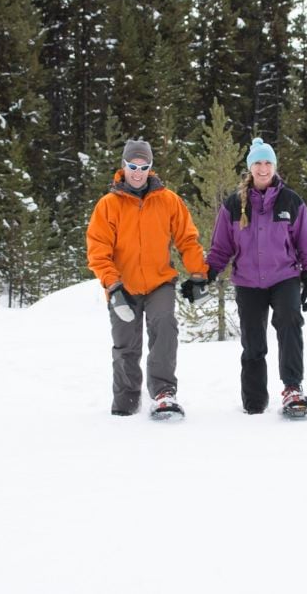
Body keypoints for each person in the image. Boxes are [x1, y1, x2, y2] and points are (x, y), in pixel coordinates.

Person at [202, 138, 307, 416]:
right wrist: (207, 273)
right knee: (253, 341)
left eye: (268, 162)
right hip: (248, 282)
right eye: (258, 162)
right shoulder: (234, 205)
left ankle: (293, 388)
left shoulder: (290, 201)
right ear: (249, 168)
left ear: (274, 166)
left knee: (289, 322)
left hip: (284, 277)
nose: (263, 168)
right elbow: (222, 247)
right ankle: (255, 402)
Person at [86, 139, 209, 419]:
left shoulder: (168, 201)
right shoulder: (108, 205)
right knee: (125, 343)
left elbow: (187, 240)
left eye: (144, 166)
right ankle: (126, 402)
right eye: (132, 166)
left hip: (159, 282)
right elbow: (98, 250)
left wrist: (198, 274)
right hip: (122, 286)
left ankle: (164, 393)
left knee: (164, 327)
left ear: (151, 168)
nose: (138, 172)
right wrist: (113, 286)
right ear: (123, 166)